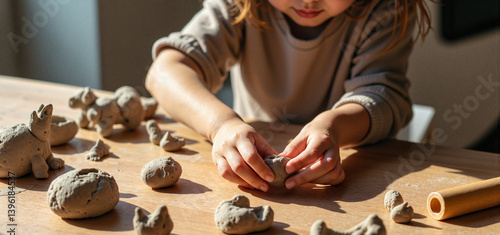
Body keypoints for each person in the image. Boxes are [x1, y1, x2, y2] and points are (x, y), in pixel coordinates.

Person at [146, 0, 431, 192]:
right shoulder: (243, 5)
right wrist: (220, 125)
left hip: (353, 180)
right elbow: (165, 72)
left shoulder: (383, 10)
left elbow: (385, 98)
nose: (308, 0)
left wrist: (335, 127)